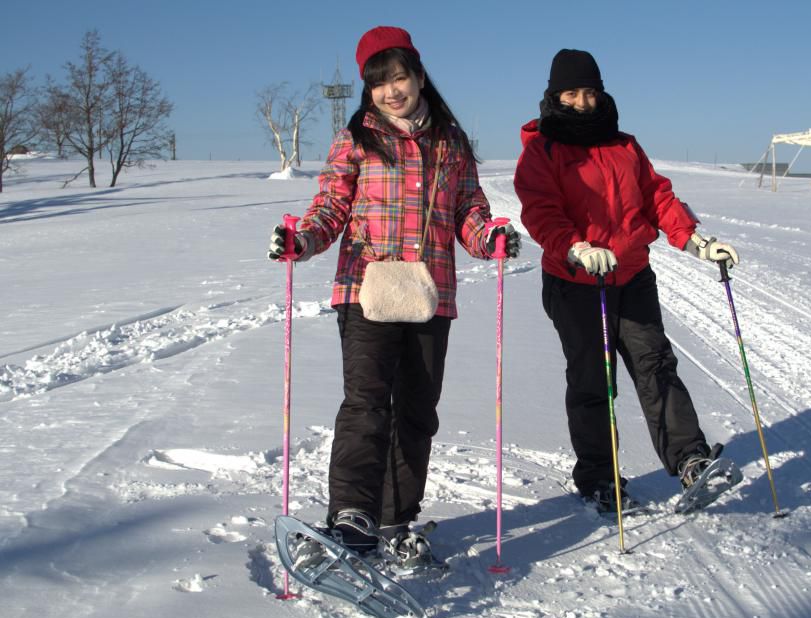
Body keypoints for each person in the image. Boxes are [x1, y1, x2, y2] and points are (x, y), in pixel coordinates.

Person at [268, 26, 519, 560]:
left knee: (417, 410)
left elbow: (468, 210)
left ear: (419, 76)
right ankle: (352, 514)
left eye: (399, 77)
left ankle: (396, 518)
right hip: (365, 290)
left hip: (431, 294)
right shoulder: (356, 138)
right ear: (368, 88)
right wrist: (302, 239)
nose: (391, 91)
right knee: (365, 403)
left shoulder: (450, 143)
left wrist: (490, 236)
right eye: (378, 82)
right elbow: (330, 208)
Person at [513, 48, 737, 513]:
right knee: (594, 379)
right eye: (571, 93)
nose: (582, 102)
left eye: (590, 92)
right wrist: (576, 248)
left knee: (656, 365)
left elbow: (657, 196)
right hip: (575, 282)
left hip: (631, 274)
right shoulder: (542, 149)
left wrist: (694, 240)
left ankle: (691, 460)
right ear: (555, 96)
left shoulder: (624, 145)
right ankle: (598, 479)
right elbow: (540, 211)